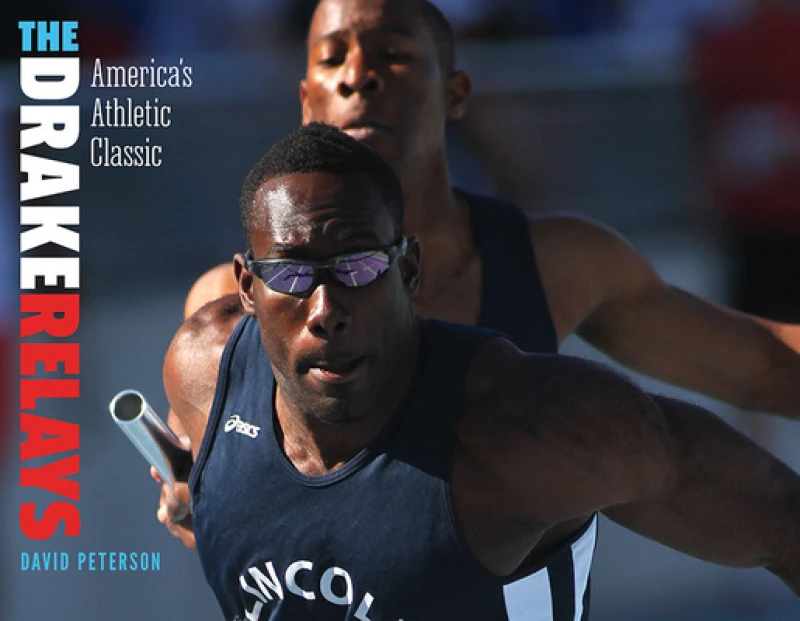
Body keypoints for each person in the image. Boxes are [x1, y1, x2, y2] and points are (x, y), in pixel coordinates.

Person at [157, 0, 800, 613]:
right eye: (332, 59)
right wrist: (192, 495)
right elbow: (199, 481)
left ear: (457, 93)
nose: (358, 77)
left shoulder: (551, 265)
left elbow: (766, 370)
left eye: (393, 54)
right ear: (305, 101)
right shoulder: (222, 316)